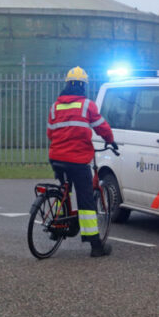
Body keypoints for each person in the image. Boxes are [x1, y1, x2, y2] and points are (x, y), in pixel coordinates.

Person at [46, 66, 117, 257]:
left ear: (67, 85)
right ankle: (95, 245)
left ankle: (58, 227)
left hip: (56, 158)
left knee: (64, 190)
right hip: (77, 160)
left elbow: (50, 133)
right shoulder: (87, 105)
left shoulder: (55, 106)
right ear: (83, 86)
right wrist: (110, 140)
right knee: (86, 200)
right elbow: (102, 127)